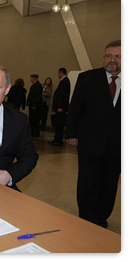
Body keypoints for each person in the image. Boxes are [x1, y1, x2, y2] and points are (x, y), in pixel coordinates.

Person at [65, 40, 121, 228]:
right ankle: (86, 217)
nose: (112, 60)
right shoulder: (88, 78)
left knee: (110, 182)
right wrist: (71, 133)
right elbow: (75, 108)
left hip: (118, 145)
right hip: (90, 141)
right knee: (88, 181)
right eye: (109, 56)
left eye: (118, 56)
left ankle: (101, 215)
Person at [48, 68, 70, 146]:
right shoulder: (63, 81)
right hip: (59, 107)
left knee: (59, 124)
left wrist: (60, 106)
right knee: (57, 124)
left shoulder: (65, 82)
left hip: (61, 107)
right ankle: (56, 138)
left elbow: (63, 95)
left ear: (61, 73)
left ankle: (58, 139)